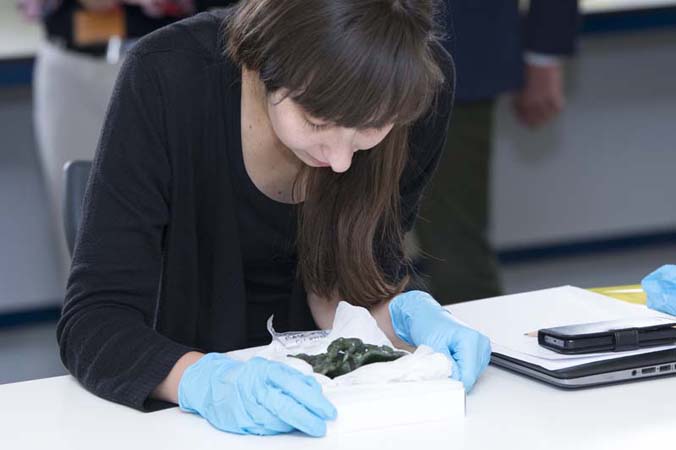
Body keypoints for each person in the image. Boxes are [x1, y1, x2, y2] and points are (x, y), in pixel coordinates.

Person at [56, 0, 492, 438]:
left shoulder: (412, 84)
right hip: (179, 422)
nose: (341, 161)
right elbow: (94, 322)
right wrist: (204, 382)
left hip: (334, 413)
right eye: (317, 121)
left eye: (370, 129)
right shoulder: (167, 76)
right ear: (263, 59)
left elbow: (348, 286)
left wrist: (398, 314)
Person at [20, 0, 237, 289]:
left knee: (188, 219)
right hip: (73, 66)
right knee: (79, 219)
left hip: (178, 61)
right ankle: (91, 330)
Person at [415, 0, 580, 303]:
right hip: (330, 47)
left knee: (454, 249)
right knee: (328, 238)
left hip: (454, 48)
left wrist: (543, 52)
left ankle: (483, 346)